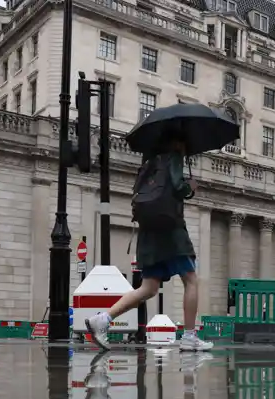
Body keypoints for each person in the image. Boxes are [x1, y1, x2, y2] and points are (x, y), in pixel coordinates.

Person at [85, 133, 213, 352]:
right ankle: (190, 336)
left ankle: (103, 319)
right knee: (191, 279)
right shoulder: (172, 158)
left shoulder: (148, 163)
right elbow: (176, 186)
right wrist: (189, 186)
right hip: (170, 231)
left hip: (149, 232)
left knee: (148, 288)